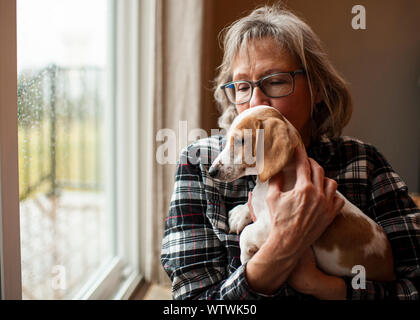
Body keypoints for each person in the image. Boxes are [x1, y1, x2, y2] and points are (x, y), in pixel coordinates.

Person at [161, 4, 420, 300]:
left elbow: (413, 286)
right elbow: (190, 303)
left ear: (318, 88)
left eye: (276, 81)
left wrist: (322, 286)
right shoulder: (201, 164)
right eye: (243, 86)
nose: (257, 100)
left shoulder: (363, 163)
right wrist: (284, 246)